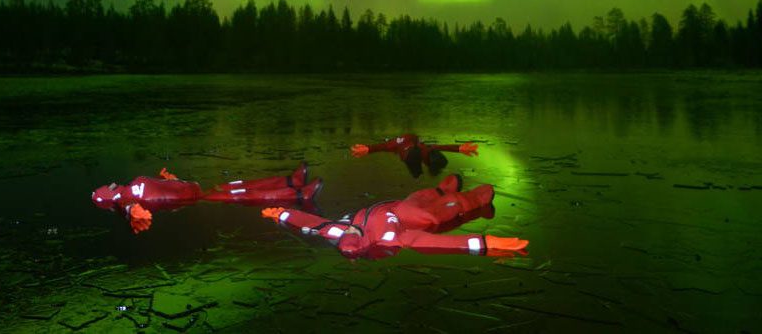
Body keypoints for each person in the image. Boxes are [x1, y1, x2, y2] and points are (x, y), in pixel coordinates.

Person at [261, 173, 527, 260]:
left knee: (419, 196)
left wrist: (283, 213)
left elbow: (310, 222)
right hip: (424, 217)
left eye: (347, 234)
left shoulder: (335, 231)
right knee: (450, 206)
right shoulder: (391, 239)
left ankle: (440, 189)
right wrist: (482, 243)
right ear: (365, 242)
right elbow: (429, 243)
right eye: (354, 234)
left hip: (405, 203)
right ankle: (469, 197)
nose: (350, 231)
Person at [92, 163, 322, 233]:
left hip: (192, 189)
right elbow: (133, 208)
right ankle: (298, 193)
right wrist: (135, 215)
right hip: (196, 197)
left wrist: (170, 178)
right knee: (242, 193)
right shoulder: (128, 200)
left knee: (241, 186)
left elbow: (159, 186)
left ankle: (291, 182)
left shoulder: (131, 188)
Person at [350, 134, 479, 177]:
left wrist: (459, 148)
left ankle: (423, 168)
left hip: (415, 151)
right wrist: (368, 149)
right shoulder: (403, 145)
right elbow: (385, 146)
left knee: (417, 170)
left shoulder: (421, 148)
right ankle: (421, 169)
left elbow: (438, 147)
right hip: (412, 152)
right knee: (416, 172)